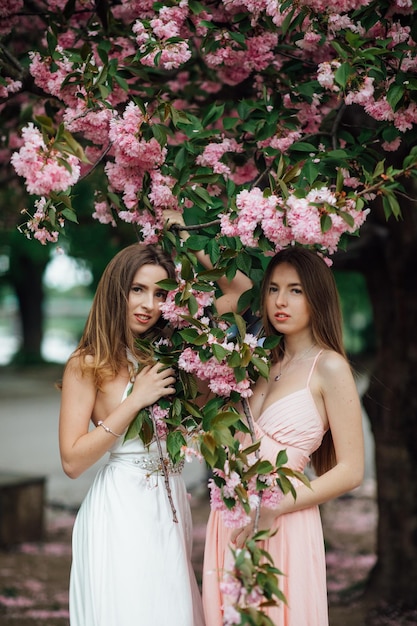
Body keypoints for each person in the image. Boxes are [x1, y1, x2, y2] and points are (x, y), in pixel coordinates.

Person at [202, 246, 365, 626]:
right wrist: (179, 227)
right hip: (229, 515)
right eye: (273, 288)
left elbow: (352, 470)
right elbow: (234, 284)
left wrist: (274, 507)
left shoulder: (330, 368)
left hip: (284, 517)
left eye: (295, 290)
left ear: (316, 297)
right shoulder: (257, 358)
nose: (280, 301)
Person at [59, 243, 206, 626]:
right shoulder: (87, 363)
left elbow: (238, 291)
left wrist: (183, 241)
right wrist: (135, 400)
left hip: (170, 501)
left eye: (161, 293)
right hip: (121, 506)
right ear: (117, 290)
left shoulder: (169, 356)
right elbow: (72, 461)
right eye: (137, 289)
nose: (149, 304)